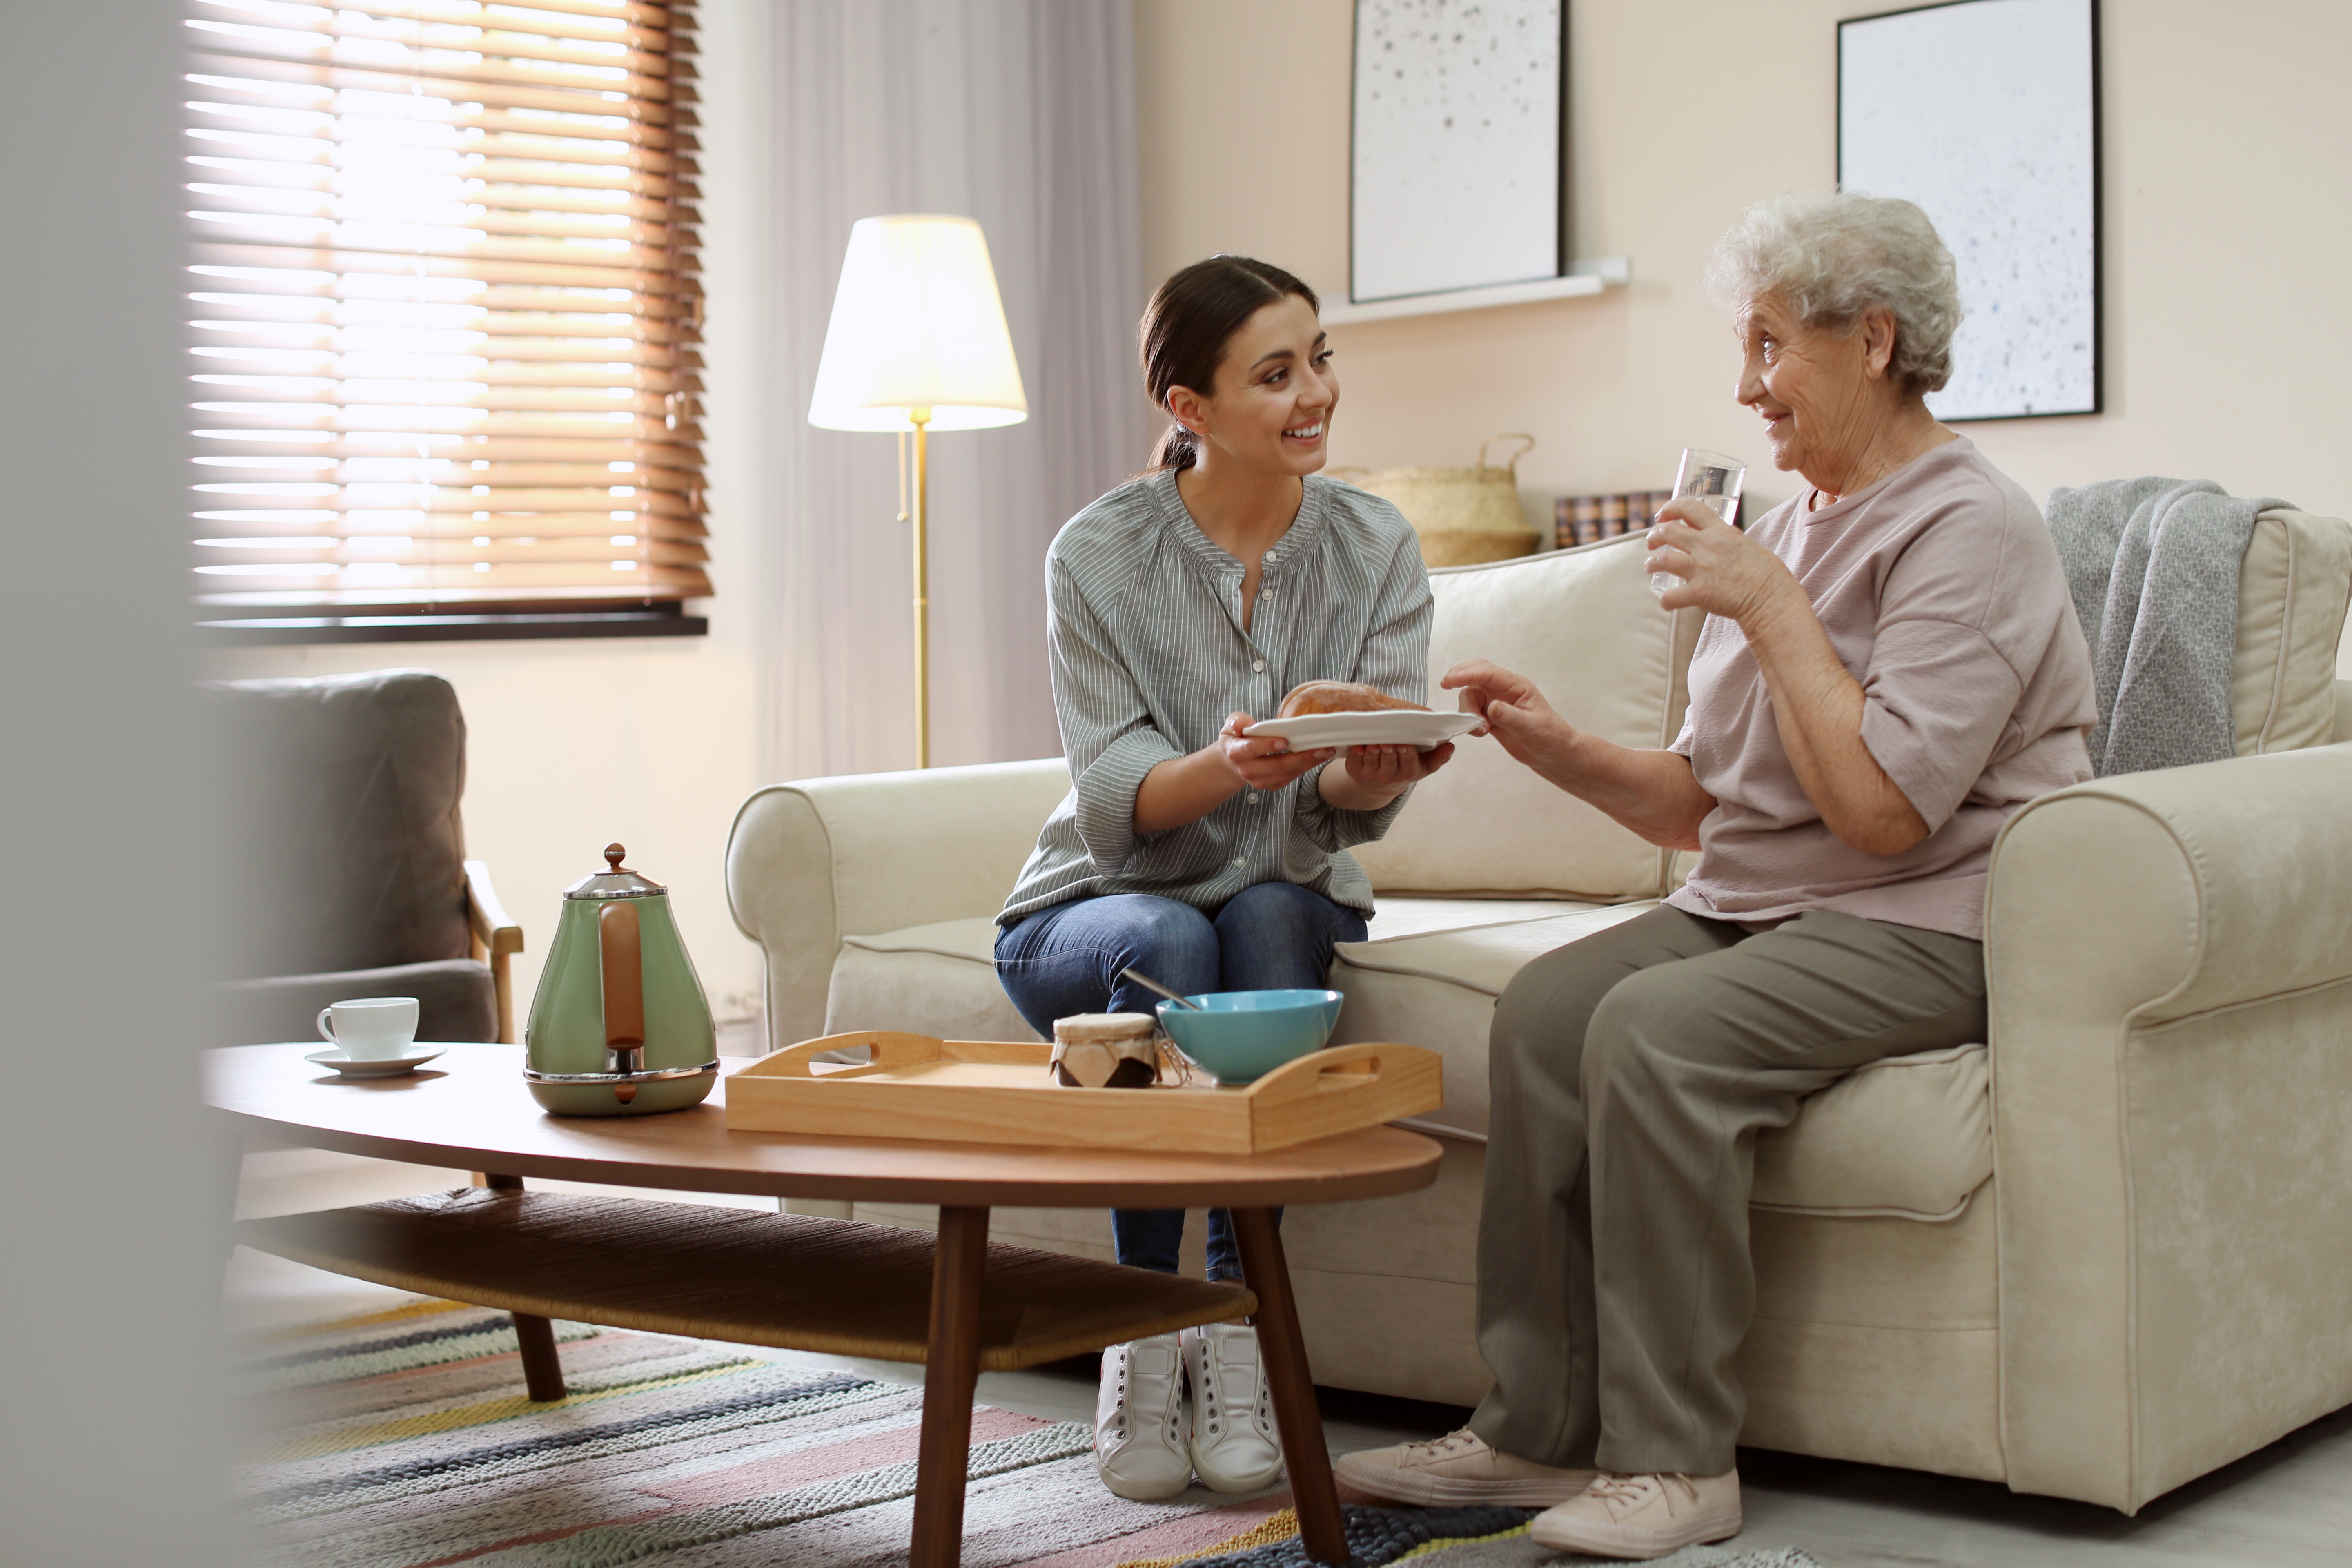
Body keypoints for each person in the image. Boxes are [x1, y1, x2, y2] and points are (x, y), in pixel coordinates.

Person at [1336, 191, 2098, 1560]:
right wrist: (1556, 746)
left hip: (1926, 919)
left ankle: (1678, 1466)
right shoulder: (1794, 525)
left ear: (1874, 341)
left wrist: (1764, 605)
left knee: (1656, 1033)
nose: (1744, 386)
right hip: (1756, 906)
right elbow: (1706, 801)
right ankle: (1529, 1430)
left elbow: (1882, 816)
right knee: (1550, 1011)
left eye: (1768, 347)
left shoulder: (1973, 528)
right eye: (1738, 349)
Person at [995, 255, 1454, 1501]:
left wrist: (1368, 768)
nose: (1317, 394)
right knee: (1178, 941)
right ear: (1189, 409)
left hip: (1279, 889)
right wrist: (1230, 764)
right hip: (1088, 914)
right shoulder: (1098, 554)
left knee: (1261, 916)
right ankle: (1147, 1332)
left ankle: (1238, 1331)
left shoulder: (1373, 545)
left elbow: (1350, 810)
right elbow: (1114, 804)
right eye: (1276, 373)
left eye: (1321, 359)